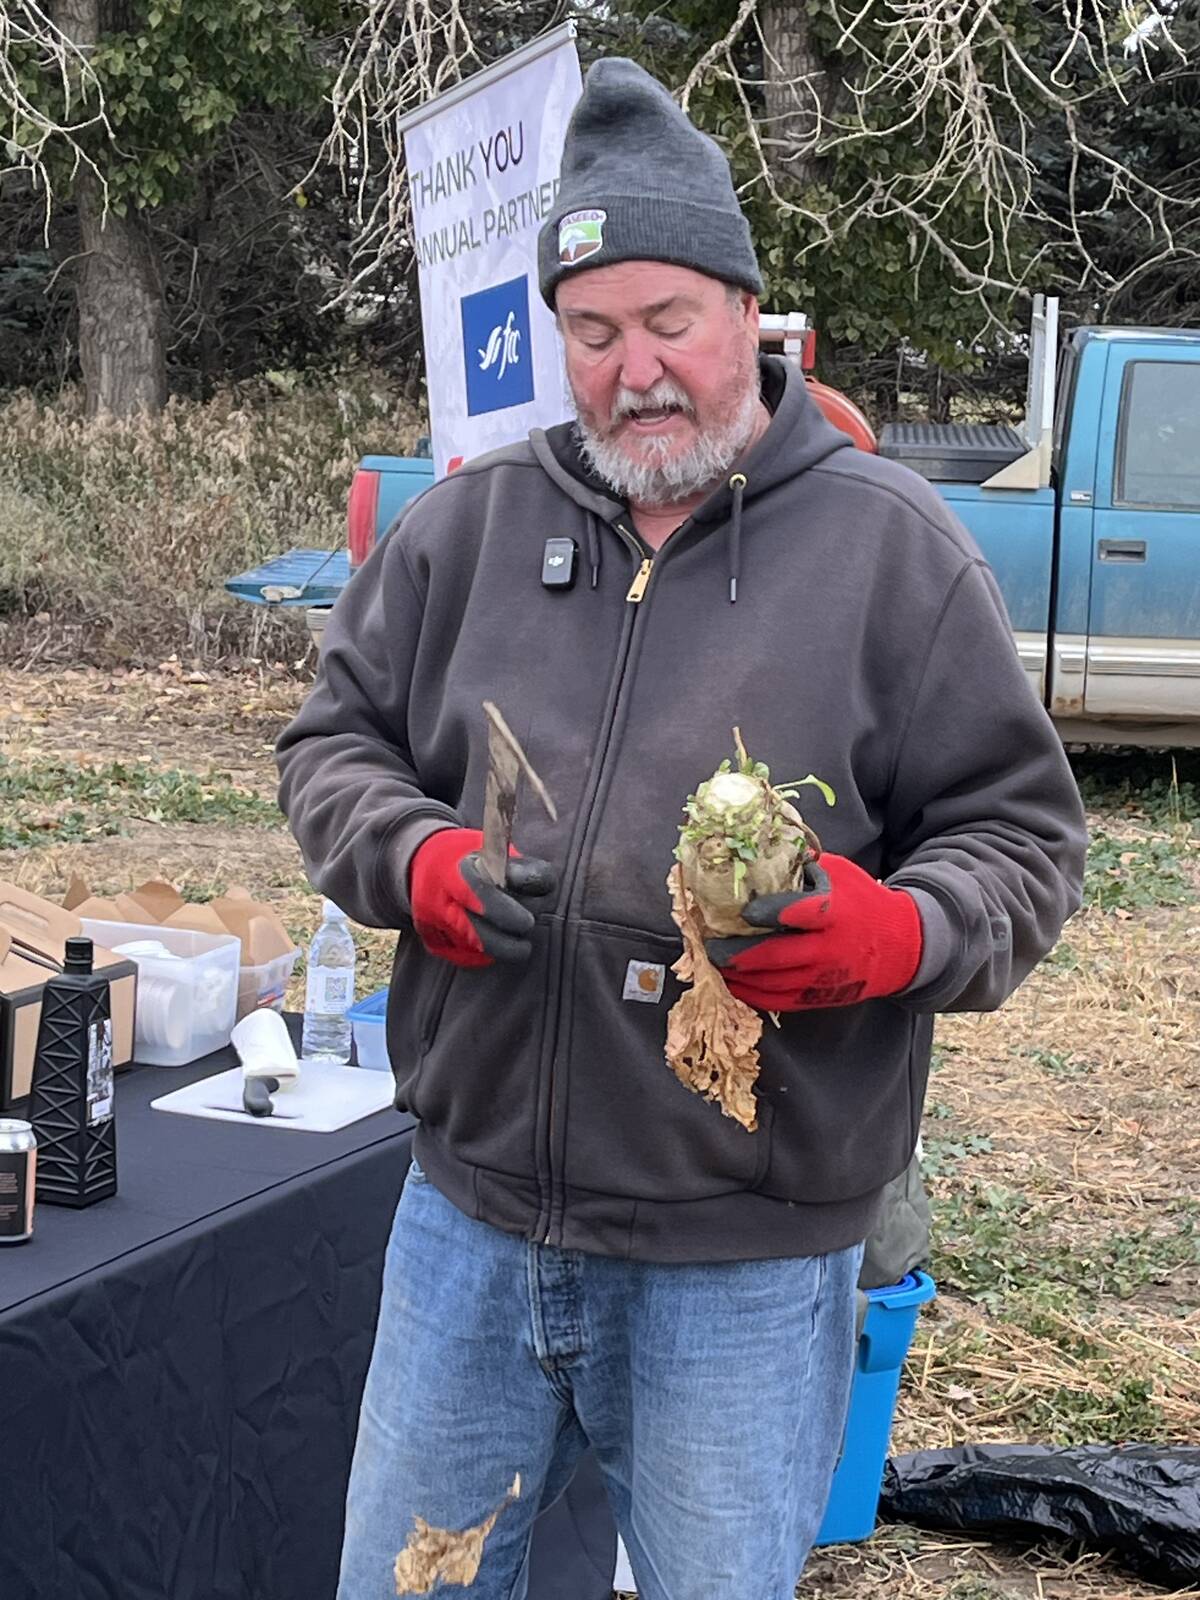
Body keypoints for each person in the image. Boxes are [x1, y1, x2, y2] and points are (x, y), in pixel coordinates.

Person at [277, 57, 1087, 1600]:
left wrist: (894, 934)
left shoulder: (890, 552)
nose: (634, 370)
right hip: (475, 1220)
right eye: (593, 332)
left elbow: (1024, 838)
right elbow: (334, 748)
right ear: (558, 340)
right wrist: (415, 862)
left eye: (668, 324)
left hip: (749, 1250)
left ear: (745, 315)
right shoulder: (470, 531)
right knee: (408, 1586)